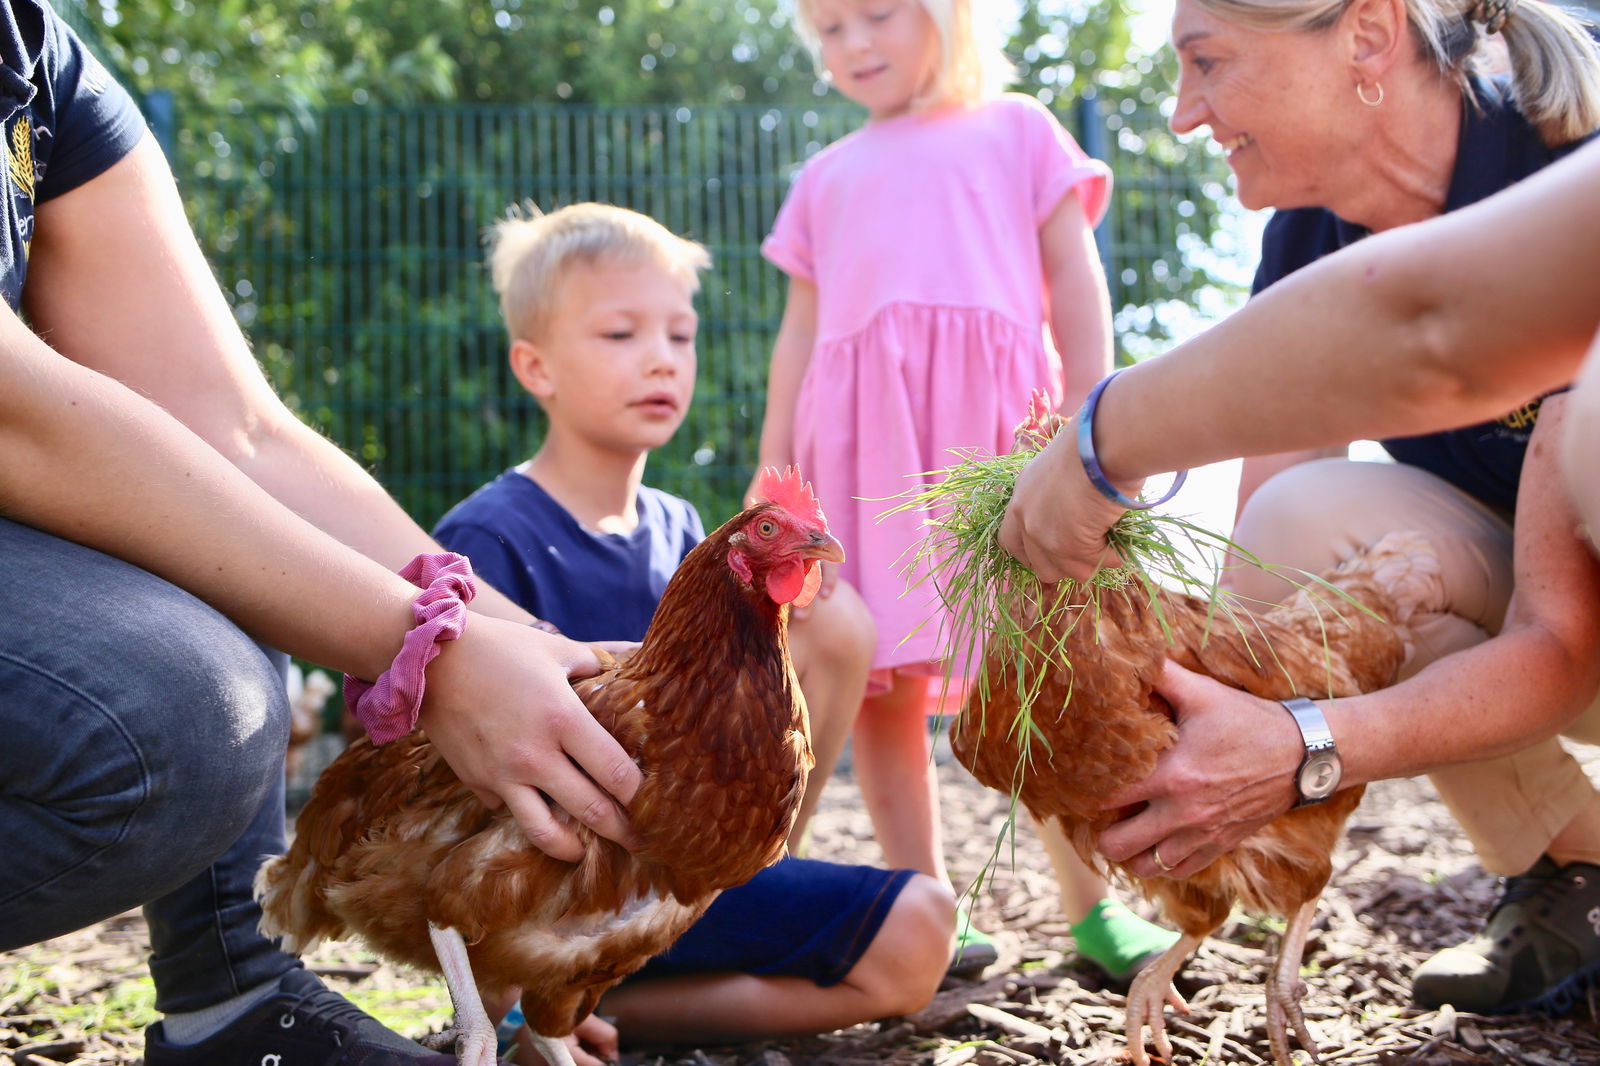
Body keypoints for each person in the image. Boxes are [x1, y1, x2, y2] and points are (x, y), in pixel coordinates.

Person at [0, 5, 645, 1065]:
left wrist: (520, 645)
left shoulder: (35, 60)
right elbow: (15, 414)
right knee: (176, 719)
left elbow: (237, 430)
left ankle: (231, 1002)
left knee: (225, 555)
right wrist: (426, 651)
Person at [999, 0, 1600, 1013]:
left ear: (1365, 36)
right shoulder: (1309, 236)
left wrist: (1309, 745)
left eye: (1208, 62)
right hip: (1562, 611)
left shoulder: (1555, 162)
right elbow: (1263, 577)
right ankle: (1573, 873)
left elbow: (1563, 641)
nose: (1185, 114)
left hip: (1574, 625)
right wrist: (1176, 706)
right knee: (1301, 525)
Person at [431, 202, 955, 1064]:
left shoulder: (687, 532)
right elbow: (451, 781)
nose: (660, 359)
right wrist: (510, 983)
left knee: (919, 937)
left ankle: (625, 1006)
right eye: (620, 333)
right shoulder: (488, 539)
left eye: (680, 335)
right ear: (535, 366)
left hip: (677, 879)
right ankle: (533, 1008)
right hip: (552, 893)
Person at [753, 0, 1179, 983]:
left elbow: (1074, 274)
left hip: (994, 441)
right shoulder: (821, 179)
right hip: (862, 449)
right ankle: (927, 904)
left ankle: (1091, 904)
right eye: (828, 31)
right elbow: (797, 335)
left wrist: (1085, 415)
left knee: (1028, 670)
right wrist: (774, 468)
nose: (853, 45)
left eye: (876, 16)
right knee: (884, 687)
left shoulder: (1017, 128)